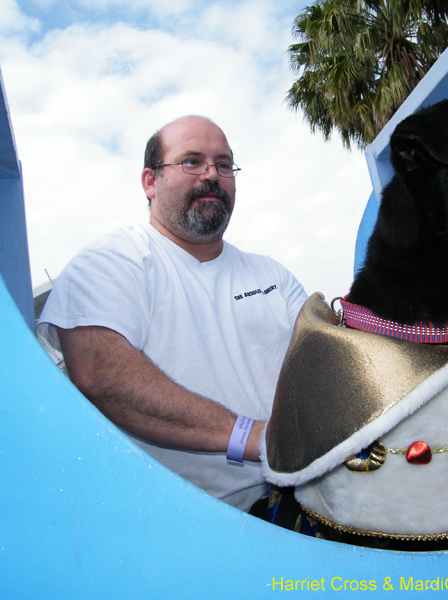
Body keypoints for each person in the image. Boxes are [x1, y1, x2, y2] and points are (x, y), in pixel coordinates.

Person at [37, 116, 307, 511]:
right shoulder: (112, 259)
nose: (212, 175)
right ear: (150, 181)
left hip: (302, 499)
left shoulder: (273, 274)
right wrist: (253, 438)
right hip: (187, 520)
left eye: (224, 164)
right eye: (192, 162)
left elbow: (320, 362)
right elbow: (99, 370)